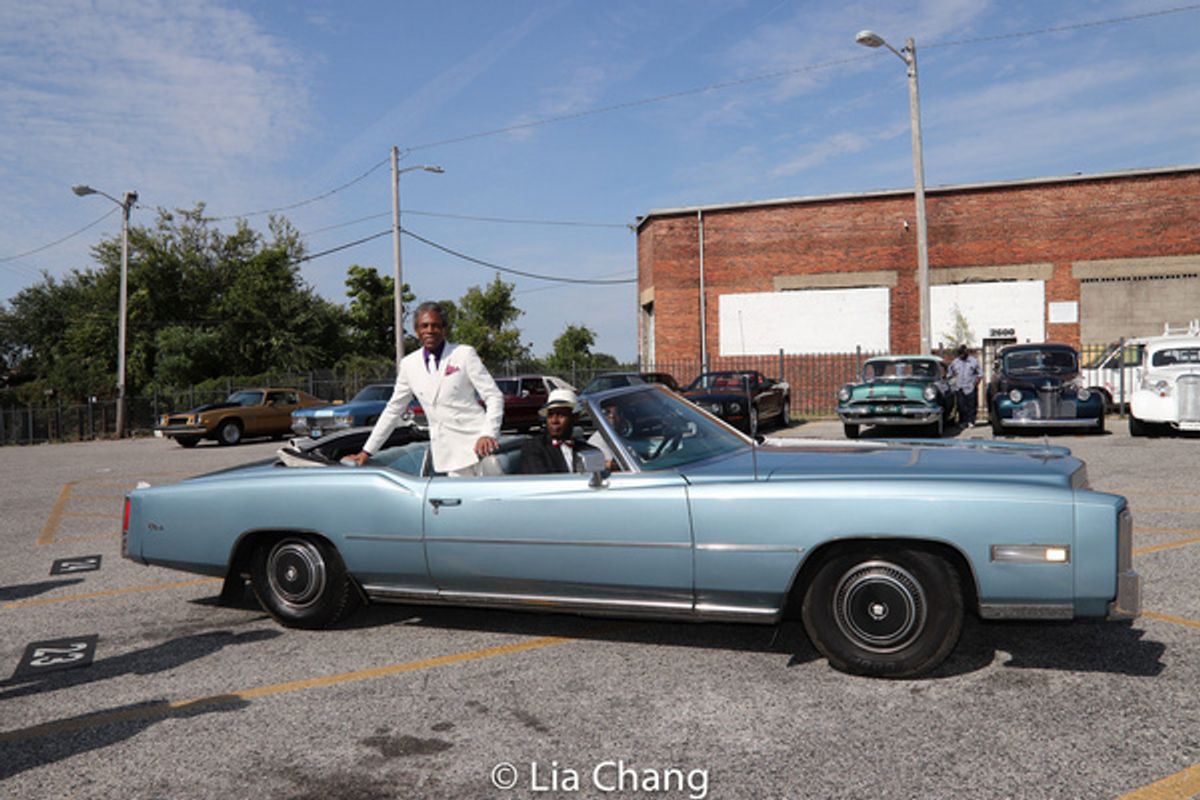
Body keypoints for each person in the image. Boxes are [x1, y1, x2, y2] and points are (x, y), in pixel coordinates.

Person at [348, 301, 503, 476]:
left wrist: (488, 433)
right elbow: (393, 410)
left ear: (444, 329)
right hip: (449, 455)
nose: (430, 330)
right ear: (416, 331)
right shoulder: (408, 364)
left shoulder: (464, 354)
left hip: (481, 445)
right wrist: (366, 452)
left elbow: (494, 396)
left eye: (435, 325)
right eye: (424, 326)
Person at [518, 388, 600, 474]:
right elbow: (542, 483)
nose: (554, 421)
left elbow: (596, 479)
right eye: (550, 415)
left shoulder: (587, 450)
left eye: (561, 415)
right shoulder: (533, 448)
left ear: (575, 418)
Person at [946, 344, 983, 427]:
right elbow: (949, 373)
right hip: (959, 388)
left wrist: (975, 383)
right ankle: (963, 421)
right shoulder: (955, 362)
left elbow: (980, 374)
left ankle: (971, 421)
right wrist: (952, 381)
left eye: (963, 354)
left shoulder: (974, 361)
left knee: (971, 405)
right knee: (961, 406)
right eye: (960, 354)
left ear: (966, 353)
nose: (961, 356)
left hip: (970, 387)